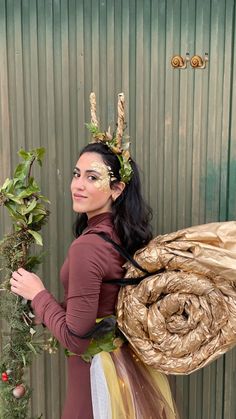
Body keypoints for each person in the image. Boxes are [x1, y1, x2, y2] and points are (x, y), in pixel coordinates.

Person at [10, 94, 178, 419]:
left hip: (94, 380)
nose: (78, 185)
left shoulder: (87, 246)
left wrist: (38, 294)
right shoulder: (121, 235)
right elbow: (101, 307)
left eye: (92, 177)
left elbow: (77, 339)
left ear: (117, 189)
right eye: (76, 174)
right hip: (125, 371)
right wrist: (45, 309)